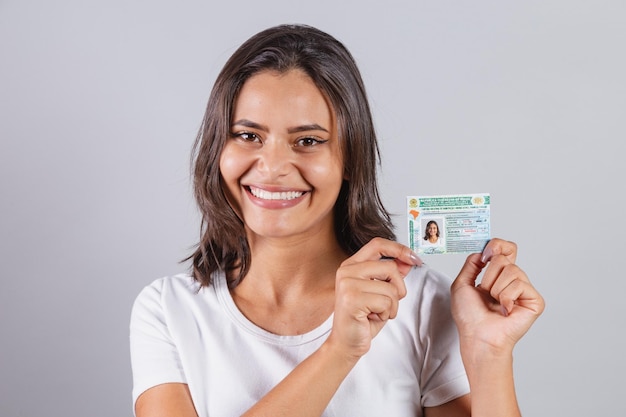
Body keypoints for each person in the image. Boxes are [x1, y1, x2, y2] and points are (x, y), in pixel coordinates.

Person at [130, 24, 544, 417]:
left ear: (350, 159)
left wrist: (488, 354)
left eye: (307, 141)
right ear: (218, 149)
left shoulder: (418, 302)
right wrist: (338, 351)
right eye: (248, 135)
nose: (272, 167)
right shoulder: (168, 311)